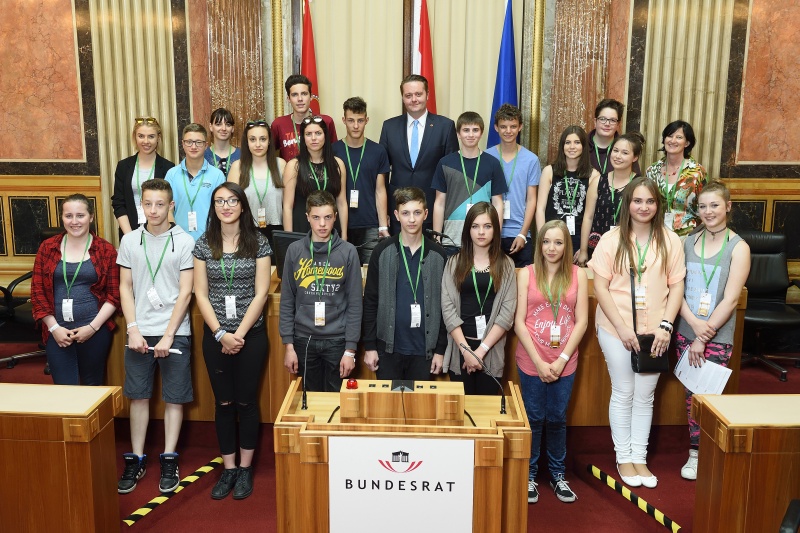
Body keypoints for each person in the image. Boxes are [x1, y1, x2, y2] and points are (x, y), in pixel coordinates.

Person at [588, 176, 685, 489]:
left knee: (645, 396)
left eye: (650, 201)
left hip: (656, 333)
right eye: (637, 200)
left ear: (658, 205)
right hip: (616, 330)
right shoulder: (611, 239)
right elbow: (599, 286)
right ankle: (623, 456)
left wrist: (667, 327)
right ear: (627, 203)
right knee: (624, 391)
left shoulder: (670, 240)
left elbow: (677, 285)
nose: (644, 207)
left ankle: (640, 458)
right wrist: (621, 327)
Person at [193, 182, 271, 500]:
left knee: (246, 403)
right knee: (223, 403)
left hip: (250, 336)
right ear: (213, 207)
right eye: (219, 201)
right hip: (215, 337)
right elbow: (200, 292)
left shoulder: (259, 242)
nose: (226, 206)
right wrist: (221, 334)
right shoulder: (203, 244)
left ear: (242, 205)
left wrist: (237, 335)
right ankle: (228, 469)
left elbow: (261, 292)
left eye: (232, 200)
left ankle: (245, 469)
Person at [116, 179, 195, 495]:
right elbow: (125, 286)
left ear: (171, 206)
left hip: (174, 332)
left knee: (174, 397)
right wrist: (132, 328)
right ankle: (136, 458)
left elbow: (186, 292)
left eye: (160, 204)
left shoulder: (185, 241)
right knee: (138, 395)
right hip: (139, 331)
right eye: (147, 204)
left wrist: (168, 335)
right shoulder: (130, 241)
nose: (153, 210)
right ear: (141, 205)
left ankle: (169, 457)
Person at [675, 181, 749, 480]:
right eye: (703, 206)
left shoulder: (738, 247)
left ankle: (702, 451)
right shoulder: (687, 242)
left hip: (716, 336)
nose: (709, 211)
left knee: (706, 396)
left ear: (728, 207)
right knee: (689, 395)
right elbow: (675, 288)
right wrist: (693, 327)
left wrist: (702, 337)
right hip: (685, 329)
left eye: (715, 205)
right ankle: (695, 451)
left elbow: (731, 298)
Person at [515, 219, 588, 504]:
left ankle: (558, 476)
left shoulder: (578, 274)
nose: (551, 248)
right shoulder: (527, 274)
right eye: (546, 241)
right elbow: (519, 323)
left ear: (566, 245)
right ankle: (530, 475)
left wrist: (561, 361)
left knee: (557, 419)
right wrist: (539, 361)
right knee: (533, 419)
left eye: (558, 242)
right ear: (539, 244)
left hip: (564, 363)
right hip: (531, 360)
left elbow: (581, 322)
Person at [31, 194, 120, 385]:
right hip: (57, 330)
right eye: (68, 216)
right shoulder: (48, 248)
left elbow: (113, 295)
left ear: (91, 217)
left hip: (94, 329)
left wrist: (92, 328)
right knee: (65, 390)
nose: (74, 221)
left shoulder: (105, 250)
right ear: (62, 218)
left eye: (80, 215)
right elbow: (37, 291)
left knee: (92, 386)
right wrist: (54, 328)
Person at [280, 190, 363, 392]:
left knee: (336, 401)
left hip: (337, 340)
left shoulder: (348, 251)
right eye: (316, 218)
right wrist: (288, 345)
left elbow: (355, 303)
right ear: (307, 217)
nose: (322, 224)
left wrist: (350, 350)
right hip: (303, 339)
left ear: (335, 216)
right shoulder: (294, 250)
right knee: (309, 399)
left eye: (327, 217)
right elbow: (287, 300)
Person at [362, 187, 448, 380]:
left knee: (421, 410)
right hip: (388, 351)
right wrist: (370, 346)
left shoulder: (439, 256)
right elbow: (370, 302)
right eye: (405, 213)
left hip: (425, 352)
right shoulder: (381, 252)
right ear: (396, 215)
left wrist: (441, 350)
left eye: (417, 213)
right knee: (386, 410)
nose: (411, 219)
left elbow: (445, 307)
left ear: (426, 214)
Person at [441, 202, 516, 395]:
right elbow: (448, 309)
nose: (481, 232)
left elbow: (506, 314)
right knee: (460, 415)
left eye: (487, 226)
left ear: (495, 230)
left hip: (491, 350)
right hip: (460, 349)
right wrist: (466, 351)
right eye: (475, 226)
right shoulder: (453, 263)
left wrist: (480, 351)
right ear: (468, 230)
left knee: (486, 415)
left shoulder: (506, 265)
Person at [379, 74, 459, 233]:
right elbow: (382, 173)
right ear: (402, 98)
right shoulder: (389, 127)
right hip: (398, 211)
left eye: (418, 94)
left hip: (432, 210)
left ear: (427, 95)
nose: (413, 99)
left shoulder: (445, 126)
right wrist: (385, 212)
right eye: (408, 95)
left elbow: (452, 173)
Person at [432, 112, 506, 255]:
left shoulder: (493, 164)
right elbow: (439, 202)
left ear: (481, 133)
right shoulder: (445, 163)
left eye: (475, 130)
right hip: (451, 238)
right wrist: (437, 235)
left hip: (482, 237)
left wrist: (496, 235)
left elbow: (498, 203)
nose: (470, 135)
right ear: (458, 134)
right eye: (466, 130)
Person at [332, 97, 391, 264]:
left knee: (370, 272)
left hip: (370, 223)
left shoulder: (378, 151)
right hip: (339, 223)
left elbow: (380, 190)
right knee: (342, 273)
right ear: (344, 120)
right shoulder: (333, 150)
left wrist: (382, 227)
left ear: (367, 120)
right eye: (351, 120)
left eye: (360, 120)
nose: (356, 126)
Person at [535, 126, 600, 265]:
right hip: (551, 239)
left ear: (583, 146)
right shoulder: (549, 171)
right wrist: (543, 241)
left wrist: (584, 249)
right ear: (562, 146)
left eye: (577, 142)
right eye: (567, 142)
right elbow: (540, 209)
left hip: (577, 240)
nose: (572, 147)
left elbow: (590, 216)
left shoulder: (593, 175)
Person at [487, 104, 541, 267]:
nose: (508, 131)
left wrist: (523, 234)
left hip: (519, 234)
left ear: (520, 127)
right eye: (503, 126)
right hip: (491, 233)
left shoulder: (531, 160)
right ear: (496, 128)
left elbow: (531, 200)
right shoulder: (487, 156)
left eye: (513, 126)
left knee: (523, 285)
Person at [282, 116, 348, 240]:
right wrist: (288, 239)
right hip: (302, 228)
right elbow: (287, 206)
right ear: (303, 138)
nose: (313, 138)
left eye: (318, 133)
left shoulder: (337, 164)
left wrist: (344, 236)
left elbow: (342, 203)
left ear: (325, 136)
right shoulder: (294, 166)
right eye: (308, 134)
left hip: (330, 227)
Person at [111, 116, 174, 237]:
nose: (146, 141)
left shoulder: (168, 167)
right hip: (129, 230)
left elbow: (169, 205)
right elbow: (118, 203)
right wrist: (130, 236)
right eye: (141, 136)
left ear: (158, 138)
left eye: (151, 136)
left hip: (159, 233)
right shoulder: (123, 166)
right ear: (135, 137)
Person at [227, 119, 286, 245]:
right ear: (246, 142)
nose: (258, 144)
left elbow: (288, 205)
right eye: (253, 139)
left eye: (263, 139)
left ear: (269, 141)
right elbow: (231, 206)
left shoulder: (280, 165)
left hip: (277, 231)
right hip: (246, 232)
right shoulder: (237, 167)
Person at [645, 120, 708, 236]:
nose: (673, 141)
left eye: (679, 137)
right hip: (656, 234)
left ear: (687, 143)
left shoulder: (697, 172)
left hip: (689, 235)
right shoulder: (652, 171)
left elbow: (705, 205)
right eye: (669, 136)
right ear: (664, 139)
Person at [165, 123, 226, 240]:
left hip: (210, 240)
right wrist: (174, 234)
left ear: (206, 145)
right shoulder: (171, 174)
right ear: (183, 144)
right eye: (189, 142)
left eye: (199, 142)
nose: (193, 147)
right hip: (179, 241)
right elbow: (167, 209)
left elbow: (222, 210)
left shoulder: (217, 175)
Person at [589, 132, 645, 249]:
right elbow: (588, 217)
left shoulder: (639, 185)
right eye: (615, 150)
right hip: (597, 245)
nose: (618, 156)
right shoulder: (598, 181)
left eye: (624, 153)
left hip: (627, 246)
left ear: (635, 157)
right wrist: (583, 249)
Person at [271, 74, 338, 161]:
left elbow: (334, 154)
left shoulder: (326, 121)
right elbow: (268, 154)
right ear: (288, 99)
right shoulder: (278, 124)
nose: (300, 99)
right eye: (295, 95)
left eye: (304, 94)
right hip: (290, 173)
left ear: (311, 97)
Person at [587, 99, 641, 176]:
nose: (607, 124)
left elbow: (635, 181)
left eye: (612, 120)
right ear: (595, 122)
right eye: (602, 119)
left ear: (618, 124)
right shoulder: (581, 145)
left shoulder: (626, 148)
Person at [204, 108, 241, 177]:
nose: (223, 128)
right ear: (211, 127)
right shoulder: (203, 156)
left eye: (228, 125)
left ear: (232, 128)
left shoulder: (242, 155)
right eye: (218, 124)